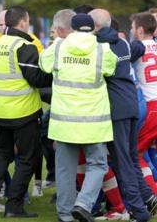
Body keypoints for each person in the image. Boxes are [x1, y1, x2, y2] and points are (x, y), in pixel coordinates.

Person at [39, 13, 117, 222]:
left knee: (65, 170)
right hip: (94, 123)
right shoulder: (103, 49)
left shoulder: (57, 47)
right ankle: (83, 203)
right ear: (92, 29)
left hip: (63, 123)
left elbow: (43, 65)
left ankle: (65, 215)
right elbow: (111, 69)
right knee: (98, 165)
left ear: (72, 28)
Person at [0, 6, 52, 218]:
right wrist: (53, 75)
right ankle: (14, 205)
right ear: (22, 22)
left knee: (1, 156)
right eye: (27, 21)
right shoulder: (24, 45)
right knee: (28, 159)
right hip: (23, 112)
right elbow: (35, 78)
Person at [89, 9, 155, 221]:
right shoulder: (125, 43)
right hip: (133, 105)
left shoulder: (99, 48)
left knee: (122, 161)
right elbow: (137, 47)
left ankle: (138, 210)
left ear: (94, 27)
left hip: (117, 109)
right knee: (131, 159)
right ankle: (147, 197)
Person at [132, 12, 157, 214]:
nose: (132, 31)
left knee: (135, 154)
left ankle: (153, 194)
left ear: (140, 30)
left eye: (133, 28)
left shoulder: (137, 49)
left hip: (151, 108)